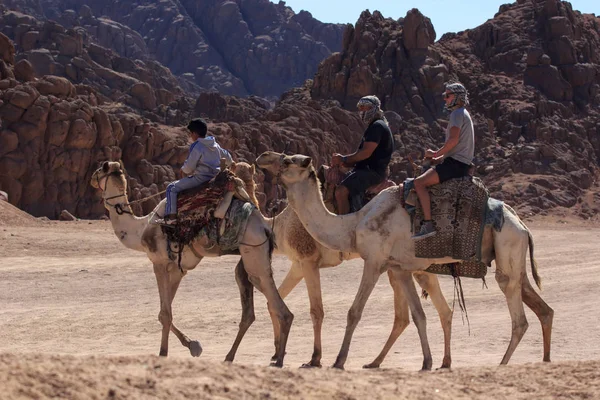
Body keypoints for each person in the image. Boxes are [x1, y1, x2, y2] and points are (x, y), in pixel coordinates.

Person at [412, 82, 474, 240]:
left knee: (419, 184)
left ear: (457, 97)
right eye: (444, 96)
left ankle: (427, 224)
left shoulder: (457, 114)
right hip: (459, 163)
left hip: (455, 164)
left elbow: (453, 141)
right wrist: (439, 158)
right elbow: (457, 146)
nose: (445, 99)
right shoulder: (463, 113)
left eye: (448, 96)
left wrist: (434, 154)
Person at [331, 95, 394, 214]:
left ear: (375, 108)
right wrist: (343, 162)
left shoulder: (377, 126)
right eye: (361, 108)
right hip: (367, 169)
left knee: (340, 191)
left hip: (372, 172)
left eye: (366, 108)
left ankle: (344, 225)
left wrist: (343, 158)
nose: (362, 111)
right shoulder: (375, 126)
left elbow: (365, 153)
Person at [163, 118, 233, 224]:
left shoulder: (197, 145)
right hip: (215, 177)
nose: (191, 136)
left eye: (191, 133)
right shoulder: (215, 145)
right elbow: (229, 159)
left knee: (171, 188)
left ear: (195, 133)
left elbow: (189, 167)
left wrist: (183, 170)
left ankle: (171, 219)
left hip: (200, 179)